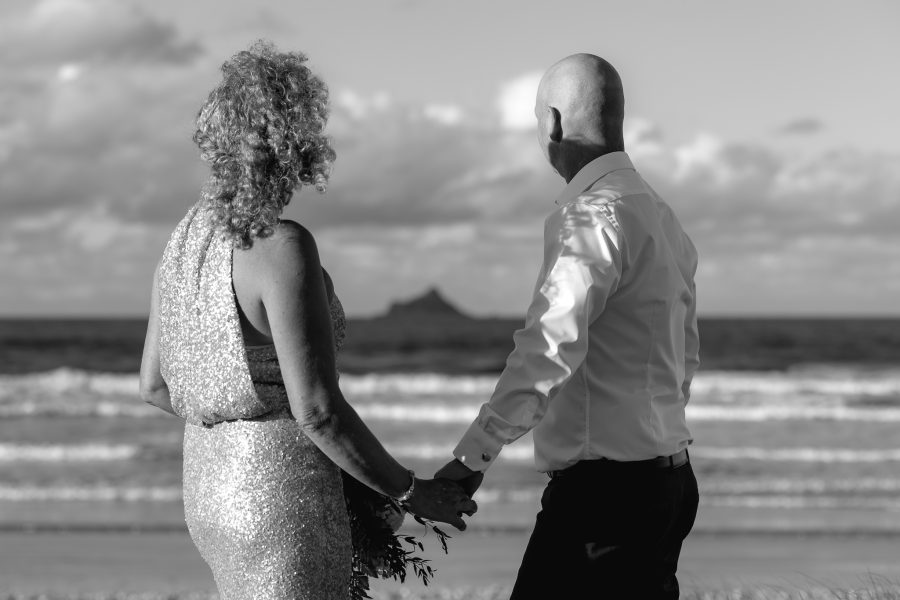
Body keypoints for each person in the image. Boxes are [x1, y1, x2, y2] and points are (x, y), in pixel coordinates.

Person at [138, 41, 475, 600]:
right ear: (294, 143)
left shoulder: (182, 244)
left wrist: (241, 422)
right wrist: (410, 491)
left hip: (210, 494)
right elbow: (317, 411)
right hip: (282, 497)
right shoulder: (281, 246)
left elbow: (153, 386)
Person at [436, 53, 700, 599]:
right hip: (670, 483)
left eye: (537, 122)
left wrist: (473, 457)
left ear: (553, 121)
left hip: (606, 501)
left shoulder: (592, 215)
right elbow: (686, 355)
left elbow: (548, 348)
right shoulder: (659, 214)